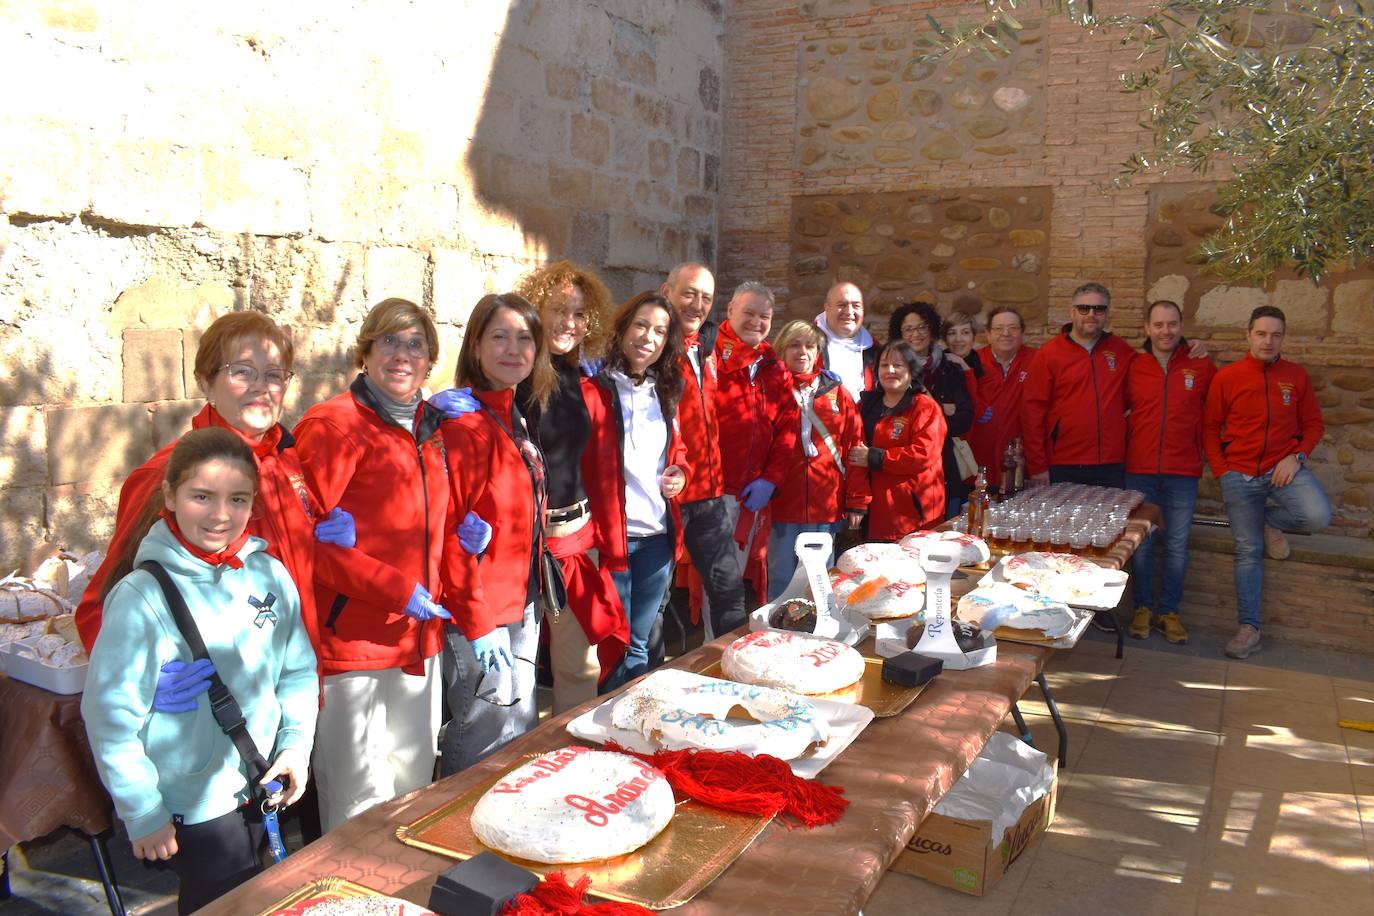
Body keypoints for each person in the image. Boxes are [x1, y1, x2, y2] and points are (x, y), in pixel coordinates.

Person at [83, 428, 318, 914]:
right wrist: (142, 810)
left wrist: (295, 745)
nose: (220, 514)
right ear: (169, 495)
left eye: (237, 498)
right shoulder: (142, 597)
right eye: (201, 496)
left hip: (261, 780)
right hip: (196, 805)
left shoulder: (270, 574)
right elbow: (110, 717)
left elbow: (296, 671)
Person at [75, 312, 322, 662]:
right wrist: (146, 676)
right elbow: (102, 605)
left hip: (290, 680)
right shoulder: (169, 474)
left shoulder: (286, 463)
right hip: (211, 697)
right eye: (242, 372)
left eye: (274, 375)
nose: (261, 387)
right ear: (206, 382)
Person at [292, 299, 451, 832]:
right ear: (366, 351)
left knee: (412, 785)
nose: (402, 355)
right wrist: (392, 586)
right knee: (356, 800)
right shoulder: (335, 425)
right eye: (389, 341)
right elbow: (307, 543)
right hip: (352, 644)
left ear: (430, 359)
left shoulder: (432, 428)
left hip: (416, 639)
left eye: (415, 344)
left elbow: (424, 523)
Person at [439, 293, 556, 773]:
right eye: (499, 337)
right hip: (482, 611)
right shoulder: (464, 422)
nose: (513, 349)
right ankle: (458, 833)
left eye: (524, 338)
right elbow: (449, 534)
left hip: (520, 599)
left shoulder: (511, 412)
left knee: (516, 727)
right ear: (476, 345)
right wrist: (478, 623)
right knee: (481, 728)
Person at [512, 261, 629, 714]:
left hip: (572, 543)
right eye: (559, 309)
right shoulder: (511, 376)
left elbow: (599, 472)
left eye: (579, 314)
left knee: (578, 668)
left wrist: (611, 548)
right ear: (536, 309)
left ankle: (568, 758)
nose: (568, 322)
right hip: (519, 544)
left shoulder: (586, 385)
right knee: (517, 670)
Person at [1204, 305, 1331, 660]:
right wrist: (1223, 472)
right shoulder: (1228, 377)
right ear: (1248, 335)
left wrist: (1298, 456)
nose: (1268, 341)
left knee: (1318, 516)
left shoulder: (1296, 376)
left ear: (1283, 338)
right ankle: (1249, 629)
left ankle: (1269, 522)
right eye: (1261, 333)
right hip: (1239, 476)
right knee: (1248, 551)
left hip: (1284, 470)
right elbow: (1209, 428)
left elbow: (1314, 425)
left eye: (1276, 334)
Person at [584, 292, 690, 685]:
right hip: (612, 539)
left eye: (660, 331)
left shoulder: (667, 391)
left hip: (657, 538)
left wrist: (681, 474)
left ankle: (629, 731)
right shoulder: (593, 389)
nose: (648, 337)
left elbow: (679, 453)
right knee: (613, 644)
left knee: (640, 644)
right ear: (624, 328)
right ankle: (607, 727)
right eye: (641, 325)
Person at [660, 262, 746, 639]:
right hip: (667, 499)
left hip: (709, 496)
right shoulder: (653, 347)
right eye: (689, 293)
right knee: (654, 610)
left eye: (706, 298)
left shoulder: (705, 351)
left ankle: (736, 683)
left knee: (730, 597)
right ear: (667, 292)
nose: (697, 304)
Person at [1124, 301, 1217, 645]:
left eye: (1172, 324)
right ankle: (1143, 608)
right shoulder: (1133, 365)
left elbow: (1218, 413)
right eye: (1159, 325)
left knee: (1178, 545)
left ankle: (1169, 612)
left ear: (1181, 326)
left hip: (1183, 470)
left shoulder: (1201, 364)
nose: (1166, 331)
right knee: (1142, 545)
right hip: (1139, 469)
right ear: (1147, 328)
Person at [713, 281, 799, 602]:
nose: (756, 322)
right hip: (712, 494)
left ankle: (720, 647)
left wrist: (770, 479)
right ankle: (713, 649)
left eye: (764, 316)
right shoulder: (710, 357)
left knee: (733, 582)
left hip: (751, 496)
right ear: (730, 309)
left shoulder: (774, 368)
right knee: (715, 585)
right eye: (748, 313)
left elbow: (787, 429)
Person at [767, 320, 865, 600]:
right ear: (782, 350)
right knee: (781, 579)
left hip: (825, 505)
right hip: (782, 505)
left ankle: (821, 636)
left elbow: (854, 450)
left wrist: (857, 500)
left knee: (820, 581)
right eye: (794, 345)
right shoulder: (770, 390)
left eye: (809, 345)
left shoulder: (837, 394)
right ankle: (777, 633)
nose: (802, 352)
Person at [1020, 282, 1139, 488]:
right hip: (1063, 463)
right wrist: (1037, 465)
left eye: (1099, 309)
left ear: (1107, 314)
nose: (1091, 314)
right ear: (1072, 312)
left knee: (1109, 521)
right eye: (1084, 308)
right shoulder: (1049, 354)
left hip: (1110, 464)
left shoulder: (1121, 351)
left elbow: (1148, 374)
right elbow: (1032, 413)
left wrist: (1187, 346)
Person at [849, 341, 947, 540]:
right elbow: (855, 455)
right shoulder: (866, 406)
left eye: (898, 365)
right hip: (875, 510)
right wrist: (856, 502)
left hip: (913, 514)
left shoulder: (924, 407)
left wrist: (876, 458)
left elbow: (923, 455)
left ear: (911, 370)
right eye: (884, 365)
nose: (890, 370)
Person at [888, 301, 974, 518]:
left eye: (921, 327)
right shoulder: (890, 370)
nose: (916, 334)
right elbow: (889, 422)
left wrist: (922, 418)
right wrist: (941, 410)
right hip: (904, 471)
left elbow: (964, 419)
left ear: (932, 330)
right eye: (908, 329)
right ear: (899, 333)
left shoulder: (950, 369)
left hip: (945, 469)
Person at [967, 306, 1037, 492]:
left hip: (1021, 464)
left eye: (1013, 328)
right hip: (977, 466)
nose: (1006, 333)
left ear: (1023, 334)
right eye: (998, 328)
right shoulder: (972, 362)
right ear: (988, 334)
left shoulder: (1038, 361)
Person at [816, 281, 879, 399]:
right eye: (842, 305)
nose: (849, 312)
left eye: (856, 305)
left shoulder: (874, 349)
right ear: (827, 308)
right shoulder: (809, 345)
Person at [943, 309, 983, 376]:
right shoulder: (934, 366)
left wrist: (963, 365)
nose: (958, 339)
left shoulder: (987, 369)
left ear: (974, 338)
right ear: (945, 339)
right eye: (952, 333)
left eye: (965, 332)